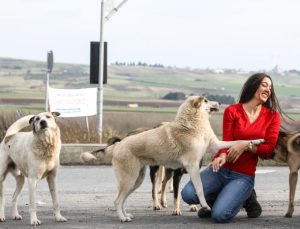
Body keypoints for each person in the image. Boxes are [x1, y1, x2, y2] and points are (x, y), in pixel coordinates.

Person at [181, 73, 282, 223]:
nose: (268, 89)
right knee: (188, 194)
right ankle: (227, 197)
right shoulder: (232, 111)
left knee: (219, 215)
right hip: (221, 170)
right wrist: (220, 156)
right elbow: (226, 141)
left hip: (243, 176)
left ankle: (245, 196)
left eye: (270, 87)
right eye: (264, 85)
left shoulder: (273, 116)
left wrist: (245, 145)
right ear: (253, 86)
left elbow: (267, 150)